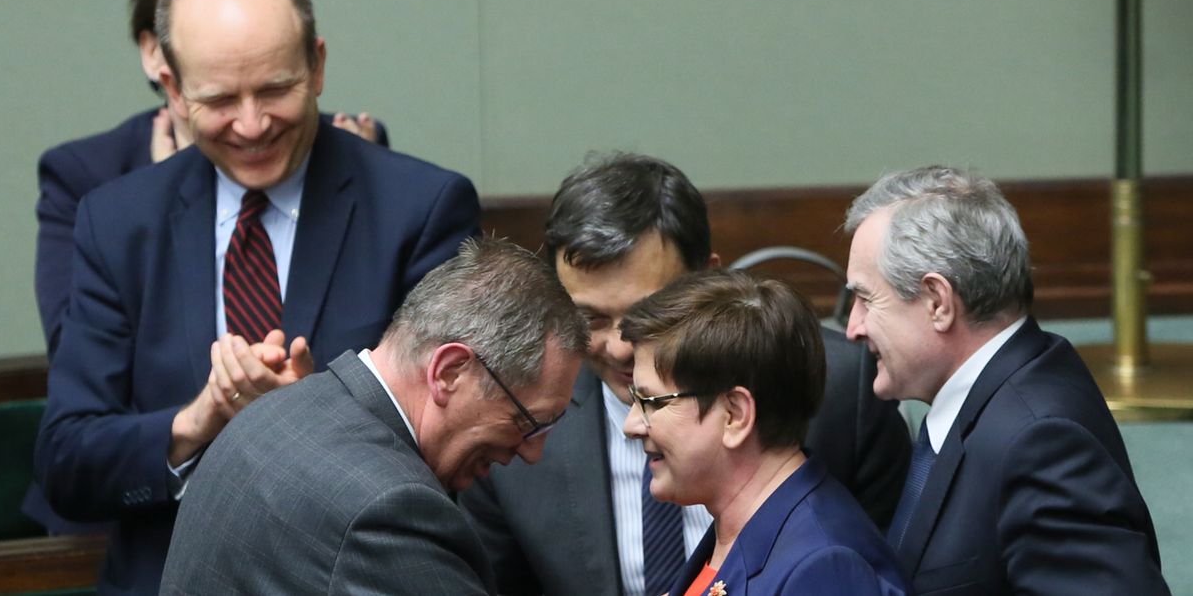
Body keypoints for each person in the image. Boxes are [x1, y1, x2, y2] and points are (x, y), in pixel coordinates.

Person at [34, 0, 479, 595]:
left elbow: (466, 443)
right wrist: (199, 419)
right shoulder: (119, 222)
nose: (251, 124)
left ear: (318, 65)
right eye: (217, 100)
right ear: (173, 89)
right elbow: (68, 462)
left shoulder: (419, 210)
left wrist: (314, 420)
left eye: (275, 89)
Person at [459, 153, 910, 596]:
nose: (619, 346)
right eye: (590, 319)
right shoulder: (520, 418)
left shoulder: (843, 392)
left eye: (646, 315)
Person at [34, 0, 387, 361]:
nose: (252, 125)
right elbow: (80, 375)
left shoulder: (348, 147)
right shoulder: (94, 185)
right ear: (159, 57)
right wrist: (171, 192)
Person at [160, 238, 588, 594]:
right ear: (450, 372)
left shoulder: (273, 414)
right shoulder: (389, 509)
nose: (533, 453)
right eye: (528, 423)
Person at [844, 165, 1169, 594]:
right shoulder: (996, 394)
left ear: (938, 302)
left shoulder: (1042, 442)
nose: (853, 327)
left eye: (866, 299)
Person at [619, 270, 907, 596]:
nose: (631, 425)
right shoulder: (736, 531)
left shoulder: (824, 569)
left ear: (735, 415)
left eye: (652, 403)